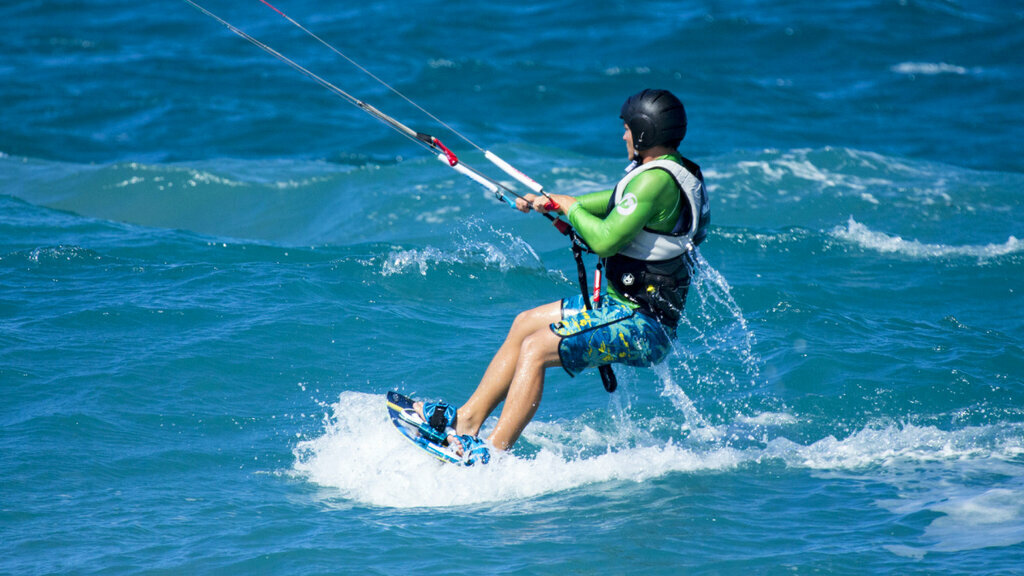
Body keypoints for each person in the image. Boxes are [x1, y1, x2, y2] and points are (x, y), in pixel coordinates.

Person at [417, 89, 711, 464]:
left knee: (537, 348)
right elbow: (609, 202)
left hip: (643, 325)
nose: (622, 136)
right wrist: (551, 201)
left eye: (626, 129)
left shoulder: (654, 182)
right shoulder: (670, 172)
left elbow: (605, 240)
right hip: (620, 307)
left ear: (643, 132)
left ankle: (492, 453)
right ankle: (467, 421)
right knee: (525, 324)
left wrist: (569, 208)